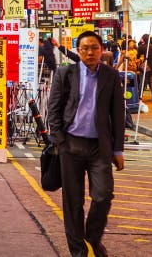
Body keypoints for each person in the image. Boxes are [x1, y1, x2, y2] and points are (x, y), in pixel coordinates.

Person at [47, 31, 125, 257]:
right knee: (73, 203)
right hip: (70, 145)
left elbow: (117, 114)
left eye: (94, 48)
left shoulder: (110, 76)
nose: (89, 52)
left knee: (103, 195)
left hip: (99, 147)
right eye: (84, 48)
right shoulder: (65, 73)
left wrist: (118, 149)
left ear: (101, 50)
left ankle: (91, 238)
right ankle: (79, 252)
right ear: (78, 50)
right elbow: (54, 109)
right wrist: (59, 140)